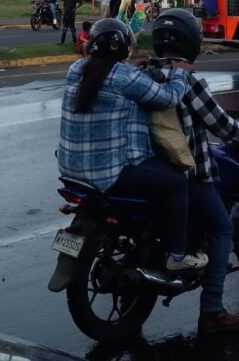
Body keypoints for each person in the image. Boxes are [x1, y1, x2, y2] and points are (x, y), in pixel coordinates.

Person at [58, 18, 207, 273]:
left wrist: (134, 72)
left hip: (71, 172)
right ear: (125, 47)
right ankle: (178, 255)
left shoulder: (76, 69)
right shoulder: (124, 76)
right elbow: (168, 97)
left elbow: (111, 79)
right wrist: (181, 72)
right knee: (177, 182)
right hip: (109, 174)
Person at [146, 8, 239, 333]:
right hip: (187, 172)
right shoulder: (188, 81)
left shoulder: (144, 74)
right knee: (222, 229)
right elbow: (221, 125)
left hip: (150, 170)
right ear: (191, 41)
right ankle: (212, 311)